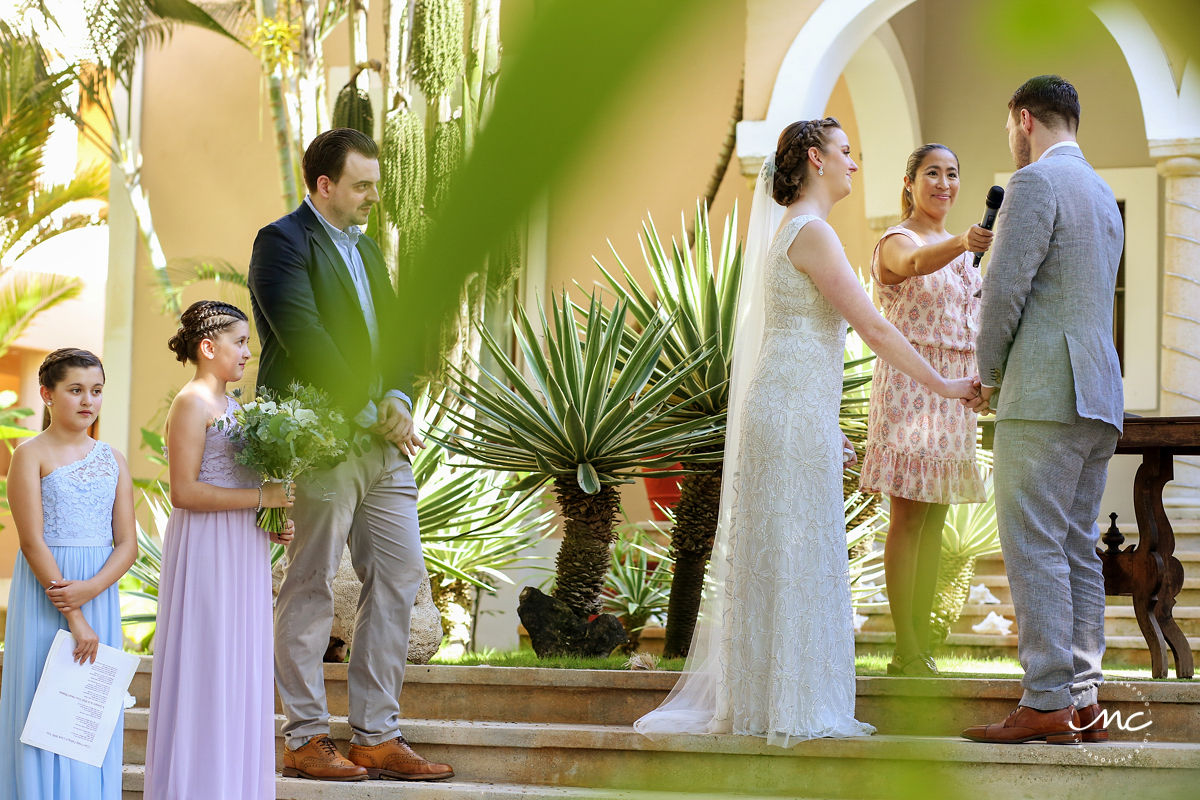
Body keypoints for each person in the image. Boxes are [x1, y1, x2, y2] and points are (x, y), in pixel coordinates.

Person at [634, 118, 978, 746]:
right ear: (817, 160)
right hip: (789, 411)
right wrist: (948, 386)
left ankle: (769, 704)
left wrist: (823, 420)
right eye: (847, 152)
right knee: (794, 552)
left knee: (791, 552)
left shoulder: (799, 232)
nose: (855, 162)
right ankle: (788, 709)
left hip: (794, 409)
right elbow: (874, 328)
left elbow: (804, 342)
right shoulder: (813, 233)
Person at [248, 127, 452, 781]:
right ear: (325, 185)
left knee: (399, 577)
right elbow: (302, 337)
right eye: (362, 185)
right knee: (309, 585)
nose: (373, 196)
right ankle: (306, 736)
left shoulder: (367, 252)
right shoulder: (281, 243)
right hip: (321, 439)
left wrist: (398, 395)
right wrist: (370, 413)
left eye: (376, 184)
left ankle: (376, 735)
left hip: (383, 449)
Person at [962, 75, 1123, 745]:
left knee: (1033, 545)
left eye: (1009, 129)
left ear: (1024, 120)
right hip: (1099, 395)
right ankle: (1084, 699)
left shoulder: (1033, 184)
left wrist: (988, 375)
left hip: (1043, 391)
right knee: (1076, 547)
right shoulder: (1102, 195)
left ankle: (1047, 698)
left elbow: (1003, 293)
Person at [144, 301, 294, 799]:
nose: (250, 352)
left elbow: (244, 482)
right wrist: (260, 497)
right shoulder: (191, 404)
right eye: (242, 342)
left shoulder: (238, 409)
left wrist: (270, 521)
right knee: (209, 663)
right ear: (209, 348)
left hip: (243, 549)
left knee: (243, 667)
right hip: (207, 551)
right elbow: (183, 491)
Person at [859, 143, 992, 676]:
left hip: (956, 391)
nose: (944, 183)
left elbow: (971, 320)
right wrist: (963, 242)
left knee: (935, 522)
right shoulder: (899, 240)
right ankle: (905, 646)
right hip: (912, 386)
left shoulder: (963, 250)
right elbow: (911, 266)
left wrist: (980, 379)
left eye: (953, 174)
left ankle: (921, 646)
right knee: (909, 518)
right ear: (910, 182)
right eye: (932, 173)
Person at [0, 348, 137, 799]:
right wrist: (75, 614)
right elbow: (32, 541)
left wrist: (92, 590)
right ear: (47, 394)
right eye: (75, 390)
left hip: (97, 589)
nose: (88, 401)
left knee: (87, 711)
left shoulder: (113, 459)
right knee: (43, 707)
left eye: (96, 391)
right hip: (48, 589)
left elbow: (128, 545)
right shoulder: (29, 454)